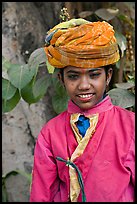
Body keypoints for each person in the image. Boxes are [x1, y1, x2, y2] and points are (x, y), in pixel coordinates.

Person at [29, 18, 135, 202]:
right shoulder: (50, 133)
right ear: (61, 79)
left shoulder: (130, 126)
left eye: (94, 75)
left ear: (108, 76)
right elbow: (41, 194)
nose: (84, 85)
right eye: (73, 76)